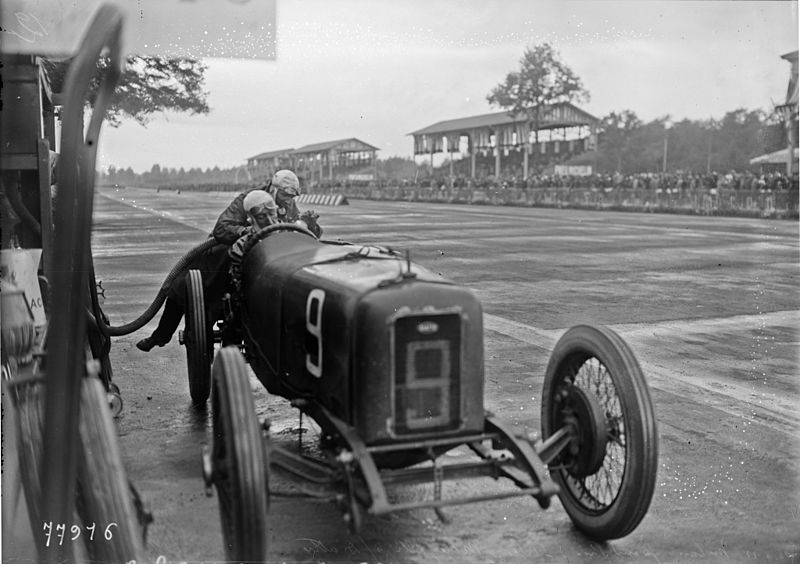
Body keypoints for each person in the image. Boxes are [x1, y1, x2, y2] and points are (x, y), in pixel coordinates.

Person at [135, 187, 283, 352]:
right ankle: (160, 336)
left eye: (291, 197)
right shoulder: (247, 200)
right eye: (284, 195)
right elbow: (221, 228)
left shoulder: (283, 203)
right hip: (220, 258)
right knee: (181, 288)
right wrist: (244, 231)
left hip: (268, 254)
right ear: (275, 189)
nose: (287, 200)